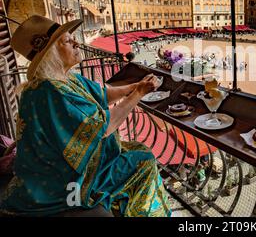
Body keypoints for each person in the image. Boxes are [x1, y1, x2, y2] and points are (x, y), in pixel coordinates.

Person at [0, 15, 171, 217]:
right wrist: (139, 94)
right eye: (67, 41)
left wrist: (134, 86)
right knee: (144, 159)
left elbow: (102, 95)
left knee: (135, 148)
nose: (77, 42)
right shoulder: (52, 90)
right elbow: (104, 128)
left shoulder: (62, 79)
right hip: (62, 180)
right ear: (51, 54)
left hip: (49, 167)